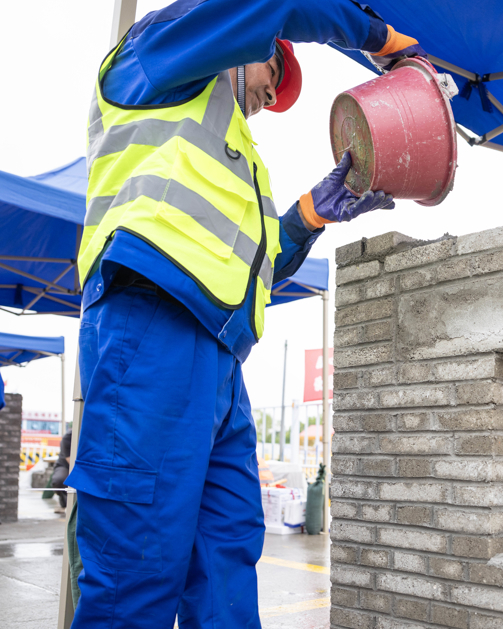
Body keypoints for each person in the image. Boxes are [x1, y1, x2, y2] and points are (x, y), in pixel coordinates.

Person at [64, 2, 426, 627]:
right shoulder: (157, 57)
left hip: (218, 360)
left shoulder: (238, 156)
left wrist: (311, 214)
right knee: (137, 573)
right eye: (273, 67)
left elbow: (252, 267)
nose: (269, 92)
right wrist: (381, 38)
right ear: (241, 40)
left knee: (226, 563)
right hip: (153, 328)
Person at [52, 428, 72, 511]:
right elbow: (71, 461)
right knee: (59, 480)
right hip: (64, 465)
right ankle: (62, 499)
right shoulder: (68, 437)